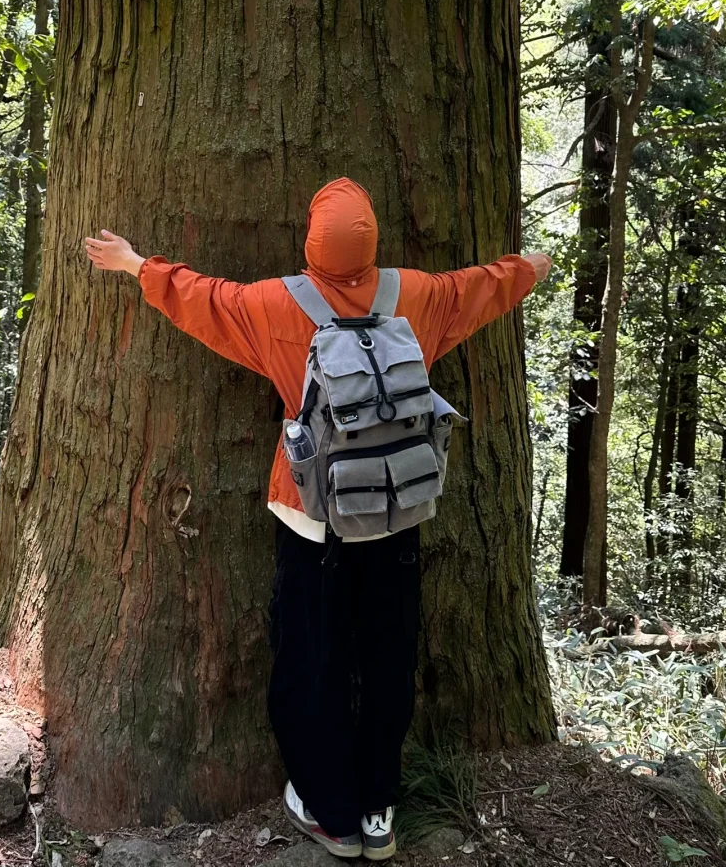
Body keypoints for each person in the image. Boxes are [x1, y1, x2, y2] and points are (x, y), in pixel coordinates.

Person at [85, 178, 551, 861]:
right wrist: (533, 266)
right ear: (372, 241)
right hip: (397, 511)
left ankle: (328, 811)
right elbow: (480, 286)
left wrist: (134, 264)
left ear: (310, 243)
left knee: (313, 660)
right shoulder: (416, 296)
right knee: (388, 659)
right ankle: (376, 811)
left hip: (313, 518)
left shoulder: (273, 304)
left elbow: (202, 298)